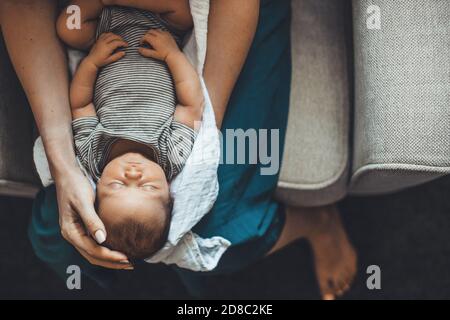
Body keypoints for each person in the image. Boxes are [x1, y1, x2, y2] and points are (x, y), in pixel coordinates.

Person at [0, 0, 356, 300]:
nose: (133, 176)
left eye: (124, 184)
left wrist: (204, 131)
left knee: (220, 233)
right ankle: (153, 268)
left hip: (215, 18)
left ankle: (313, 223)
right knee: (59, 228)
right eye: (145, 186)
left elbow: (193, 108)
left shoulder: (152, 153)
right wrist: (63, 166)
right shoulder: (107, 154)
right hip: (111, 29)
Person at [57, 0, 202, 260]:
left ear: (96, 188)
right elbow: (190, 105)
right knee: (184, 15)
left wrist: (92, 62)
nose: (133, 174)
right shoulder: (172, 155)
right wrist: (173, 55)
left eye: (117, 184)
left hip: (107, 32)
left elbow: (80, 104)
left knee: (68, 26)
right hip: (160, 27)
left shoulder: (94, 154)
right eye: (148, 187)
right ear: (170, 193)